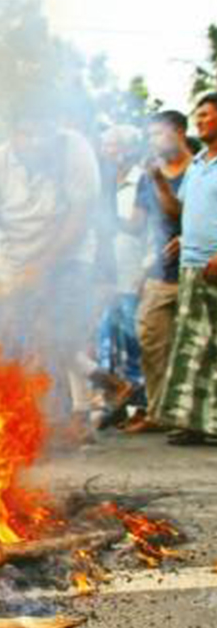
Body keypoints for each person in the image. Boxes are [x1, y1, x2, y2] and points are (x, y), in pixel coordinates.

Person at [0, 102, 102, 439]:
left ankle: (63, 422)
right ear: (12, 135)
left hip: (69, 256)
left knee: (55, 332)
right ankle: (3, 424)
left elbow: (79, 218)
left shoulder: (75, 150)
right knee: (0, 339)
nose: (39, 142)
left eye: (46, 133)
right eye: (29, 133)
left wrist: (44, 267)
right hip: (13, 262)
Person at [152, 93, 217, 446]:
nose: (201, 120)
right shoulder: (199, 164)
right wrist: (161, 184)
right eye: (199, 114)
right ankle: (193, 422)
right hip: (192, 265)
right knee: (193, 346)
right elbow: (182, 212)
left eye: (207, 114)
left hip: (215, 264)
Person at [129, 110, 191, 434]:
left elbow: (181, 215)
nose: (153, 141)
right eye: (150, 135)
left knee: (196, 348)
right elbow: (138, 225)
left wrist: (158, 181)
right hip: (159, 272)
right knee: (150, 338)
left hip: (197, 270)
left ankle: (192, 418)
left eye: (158, 133)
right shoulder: (146, 176)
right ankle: (158, 411)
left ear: (179, 131)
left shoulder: (200, 170)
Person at [92, 124, 146, 426]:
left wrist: (145, 272)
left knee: (134, 340)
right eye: (105, 146)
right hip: (109, 273)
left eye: (112, 146)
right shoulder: (106, 182)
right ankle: (115, 404)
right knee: (108, 341)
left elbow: (143, 228)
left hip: (133, 271)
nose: (106, 151)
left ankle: (142, 408)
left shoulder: (143, 181)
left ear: (128, 148)